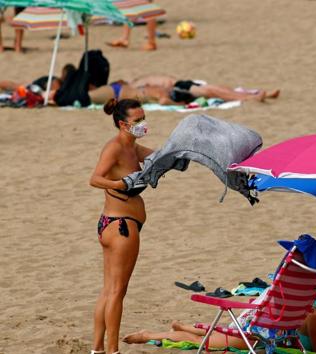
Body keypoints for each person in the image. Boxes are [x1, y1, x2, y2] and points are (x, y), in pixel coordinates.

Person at [122, 278, 316, 352]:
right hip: (259, 330)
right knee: (209, 344)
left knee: (219, 335)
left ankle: (184, 326)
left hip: (273, 330)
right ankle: (150, 334)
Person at [89, 98, 154, 354]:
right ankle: (113, 350)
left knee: (108, 291)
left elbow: (161, 158)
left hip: (112, 225)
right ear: (123, 124)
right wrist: (120, 185)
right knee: (117, 292)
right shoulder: (115, 148)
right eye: (137, 121)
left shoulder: (134, 148)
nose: (142, 124)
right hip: (121, 227)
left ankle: (97, 349)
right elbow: (95, 179)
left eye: (143, 118)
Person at [129, 74, 281, 104]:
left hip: (181, 84)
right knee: (211, 91)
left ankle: (259, 93)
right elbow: (160, 95)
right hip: (177, 89)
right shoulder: (137, 87)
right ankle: (250, 97)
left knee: (217, 88)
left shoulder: (137, 81)